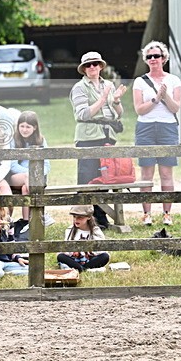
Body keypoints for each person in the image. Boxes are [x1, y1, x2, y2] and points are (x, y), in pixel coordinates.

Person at [70, 51, 127, 228]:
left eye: (95, 63)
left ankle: (101, 217)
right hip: (88, 137)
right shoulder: (79, 88)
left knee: (106, 177)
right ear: (83, 69)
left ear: (101, 66)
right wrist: (102, 99)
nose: (92, 67)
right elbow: (83, 114)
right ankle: (82, 218)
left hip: (107, 135)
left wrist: (116, 100)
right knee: (87, 178)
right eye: (88, 65)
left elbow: (118, 114)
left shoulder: (108, 84)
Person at [133, 41, 181, 225]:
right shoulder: (140, 81)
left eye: (157, 56)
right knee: (146, 172)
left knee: (166, 172)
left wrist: (165, 95)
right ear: (146, 60)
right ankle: (147, 213)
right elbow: (139, 109)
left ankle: (166, 213)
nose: (153, 59)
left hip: (167, 127)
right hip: (145, 128)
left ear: (164, 58)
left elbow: (175, 107)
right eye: (149, 56)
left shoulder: (174, 80)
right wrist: (156, 98)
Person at [9, 111, 51, 223]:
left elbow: (46, 164)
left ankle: (27, 222)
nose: (24, 129)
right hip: (15, 178)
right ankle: (42, 212)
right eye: (22, 126)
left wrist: (37, 174)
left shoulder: (41, 140)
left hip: (34, 179)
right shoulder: (13, 140)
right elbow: (12, 166)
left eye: (28, 127)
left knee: (25, 189)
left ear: (35, 127)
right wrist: (30, 173)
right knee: (28, 177)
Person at [57, 205, 110, 271]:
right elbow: (65, 249)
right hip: (74, 259)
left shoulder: (95, 230)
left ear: (89, 217)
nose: (76, 220)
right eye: (74, 217)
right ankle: (82, 268)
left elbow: (101, 249)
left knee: (105, 256)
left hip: (90, 259)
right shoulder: (70, 230)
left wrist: (90, 252)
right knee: (60, 256)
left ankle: (82, 268)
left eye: (80, 217)